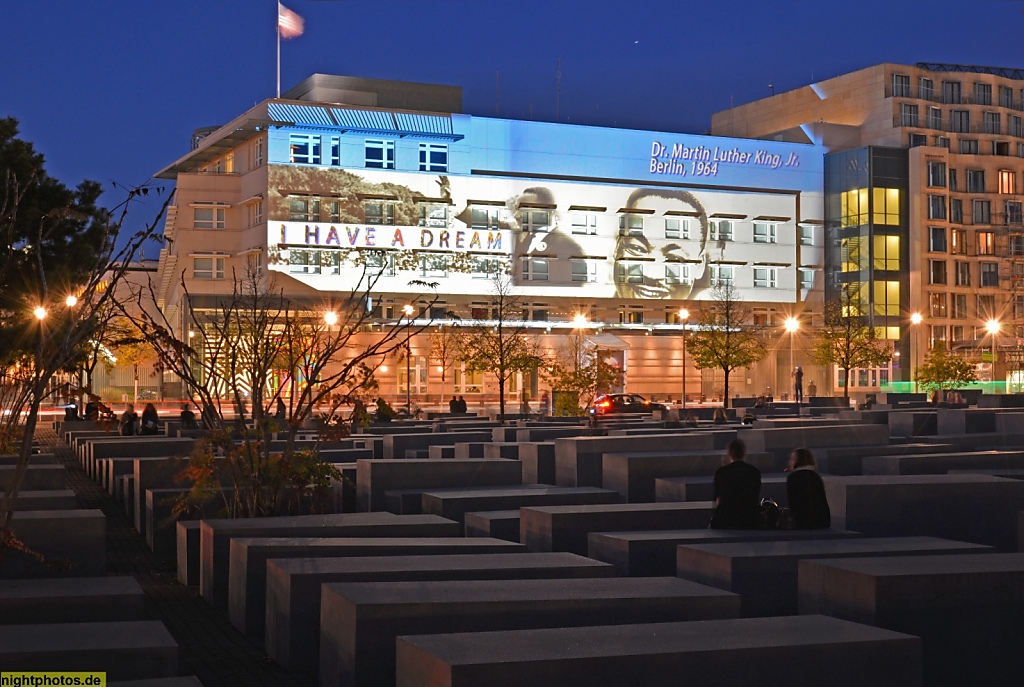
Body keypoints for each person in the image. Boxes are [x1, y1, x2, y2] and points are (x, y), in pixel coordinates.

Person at [710, 439, 762, 529]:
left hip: (726, 520)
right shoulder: (754, 472)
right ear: (744, 453)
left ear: (729, 454)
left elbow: (718, 499)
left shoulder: (721, 472)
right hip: (749, 520)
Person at [785, 448, 831, 529]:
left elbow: (793, 503)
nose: (789, 462)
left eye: (792, 459)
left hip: (802, 522)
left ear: (799, 461)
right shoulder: (815, 476)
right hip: (822, 521)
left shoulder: (793, 478)